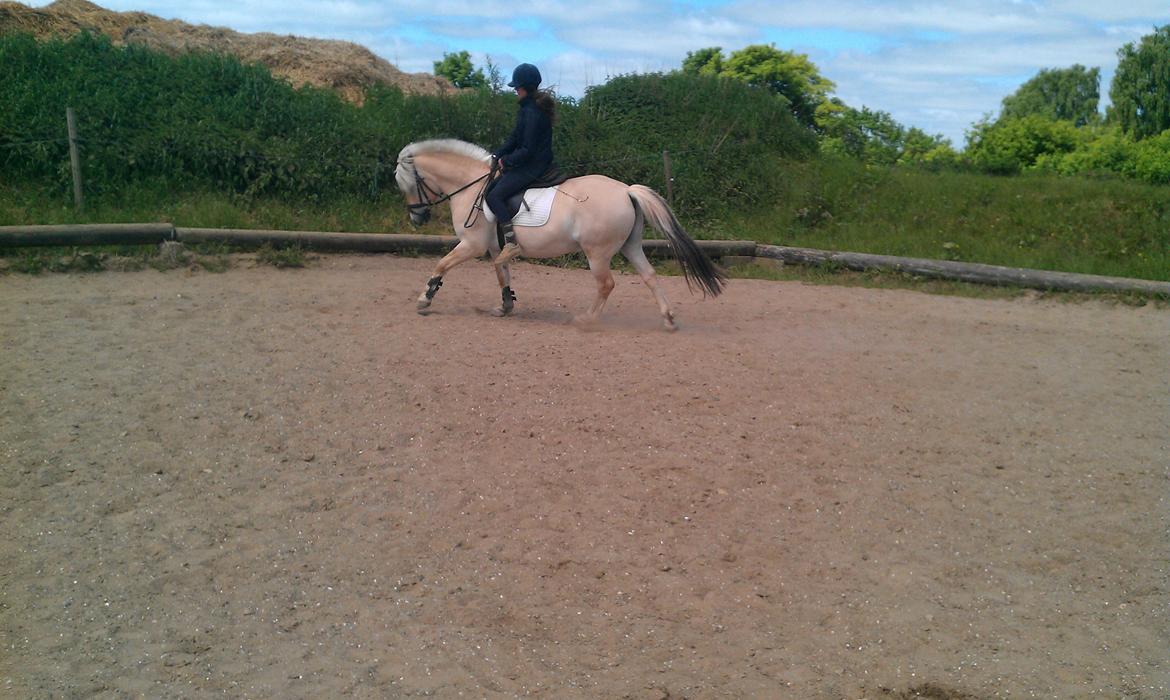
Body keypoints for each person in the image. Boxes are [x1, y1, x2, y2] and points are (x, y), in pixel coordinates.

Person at [488, 63, 555, 264]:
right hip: (529, 161)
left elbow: (527, 149)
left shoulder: (533, 113)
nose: (515, 91)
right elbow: (514, 139)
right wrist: (496, 155)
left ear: (524, 87)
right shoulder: (527, 109)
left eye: (516, 87)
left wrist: (506, 160)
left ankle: (511, 243)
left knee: (494, 196)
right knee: (491, 186)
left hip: (534, 166)